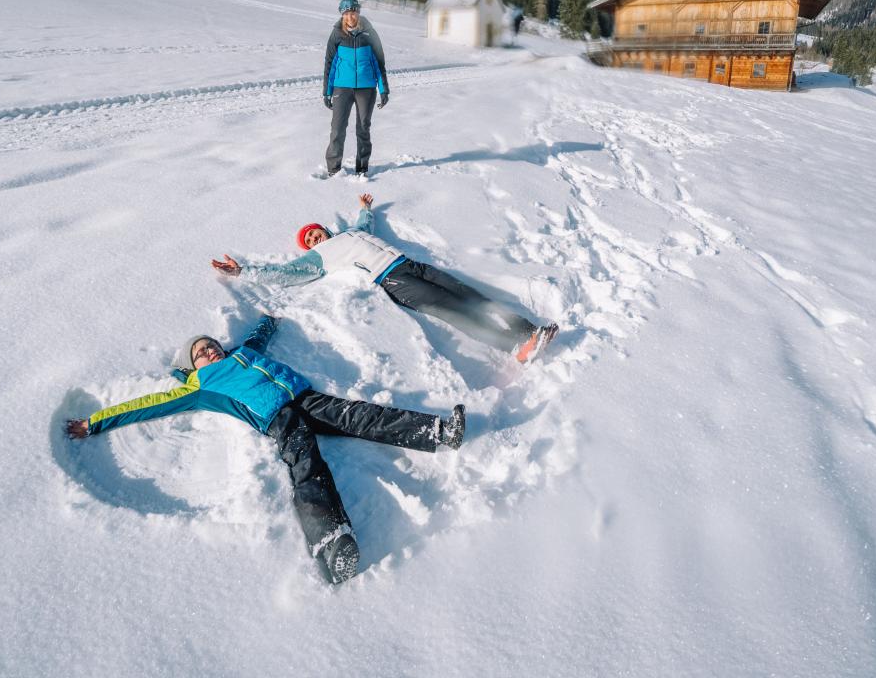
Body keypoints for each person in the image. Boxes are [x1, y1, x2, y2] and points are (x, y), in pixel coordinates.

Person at [64, 314, 465, 584]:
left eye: (211, 345)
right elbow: (145, 406)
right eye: (200, 352)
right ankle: (330, 540)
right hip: (278, 418)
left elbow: (258, 335)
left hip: (307, 398)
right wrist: (95, 422)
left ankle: (437, 432)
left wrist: (266, 322)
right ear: (191, 365)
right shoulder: (197, 387)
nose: (209, 351)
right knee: (306, 464)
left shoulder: (245, 352)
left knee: (362, 415)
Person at [211, 193, 559, 363]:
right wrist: (243, 270)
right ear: (309, 248)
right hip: (394, 282)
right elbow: (285, 275)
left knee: (471, 295)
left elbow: (366, 225)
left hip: (411, 264)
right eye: (310, 241)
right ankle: (514, 347)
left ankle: (528, 330)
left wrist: (364, 207)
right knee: (455, 311)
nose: (315, 239)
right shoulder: (318, 259)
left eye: (316, 233)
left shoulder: (349, 234)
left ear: (325, 229)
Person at [322, 0, 388, 177]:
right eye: (346, 13)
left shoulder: (370, 33)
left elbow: (379, 63)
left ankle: (362, 168)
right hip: (341, 88)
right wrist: (327, 92)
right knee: (337, 128)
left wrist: (383, 90)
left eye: (353, 12)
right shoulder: (337, 35)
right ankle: (333, 169)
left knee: (363, 128)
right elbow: (329, 64)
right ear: (342, 15)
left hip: (366, 89)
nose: (350, 17)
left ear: (358, 12)